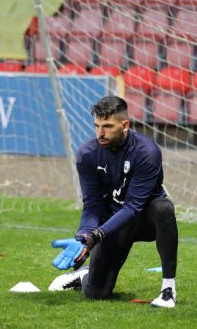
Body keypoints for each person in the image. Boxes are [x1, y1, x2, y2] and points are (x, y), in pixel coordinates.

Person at [49, 95, 179, 308]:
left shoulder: (146, 152)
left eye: (108, 126)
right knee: (96, 293)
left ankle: (168, 290)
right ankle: (84, 275)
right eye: (97, 126)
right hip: (115, 223)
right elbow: (92, 205)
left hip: (146, 220)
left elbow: (133, 206)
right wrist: (83, 237)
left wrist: (95, 236)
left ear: (125, 125)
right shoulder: (87, 155)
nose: (100, 133)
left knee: (163, 208)